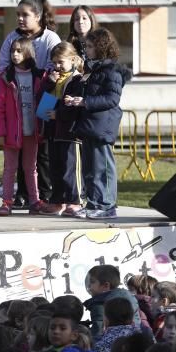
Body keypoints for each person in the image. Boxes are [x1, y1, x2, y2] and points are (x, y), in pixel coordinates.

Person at [0, 0, 61, 206]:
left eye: (25, 15)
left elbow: (57, 67)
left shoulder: (51, 38)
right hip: (18, 96)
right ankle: (22, 194)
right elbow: (2, 67)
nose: (20, 19)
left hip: (46, 97)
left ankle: (44, 193)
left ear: (38, 16)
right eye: (18, 15)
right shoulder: (12, 38)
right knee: (19, 145)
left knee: (40, 149)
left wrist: (40, 80)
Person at [66, 27, 130, 219]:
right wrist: (76, 98)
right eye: (87, 46)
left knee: (103, 168)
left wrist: (85, 102)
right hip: (90, 125)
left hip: (102, 126)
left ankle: (107, 205)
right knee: (89, 169)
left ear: (102, 48)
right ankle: (93, 202)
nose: (88, 49)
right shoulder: (92, 70)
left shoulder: (112, 71)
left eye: (91, 46)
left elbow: (112, 99)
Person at [0, 37, 45, 216]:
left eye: (19, 51)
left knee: (31, 168)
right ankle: (7, 202)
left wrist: (43, 127)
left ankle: (35, 201)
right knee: (9, 168)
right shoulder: (5, 78)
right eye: (13, 50)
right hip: (11, 133)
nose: (15, 54)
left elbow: (47, 100)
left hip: (32, 132)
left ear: (29, 52)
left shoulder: (40, 76)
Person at [38, 41, 85, 216]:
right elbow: (41, 101)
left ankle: (75, 201)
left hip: (69, 131)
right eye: (55, 62)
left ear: (72, 60)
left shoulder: (77, 79)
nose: (57, 66)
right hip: (52, 130)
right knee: (55, 168)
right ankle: (58, 201)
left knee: (70, 168)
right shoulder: (52, 77)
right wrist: (48, 84)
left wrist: (59, 114)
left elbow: (75, 105)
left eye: (61, 62)